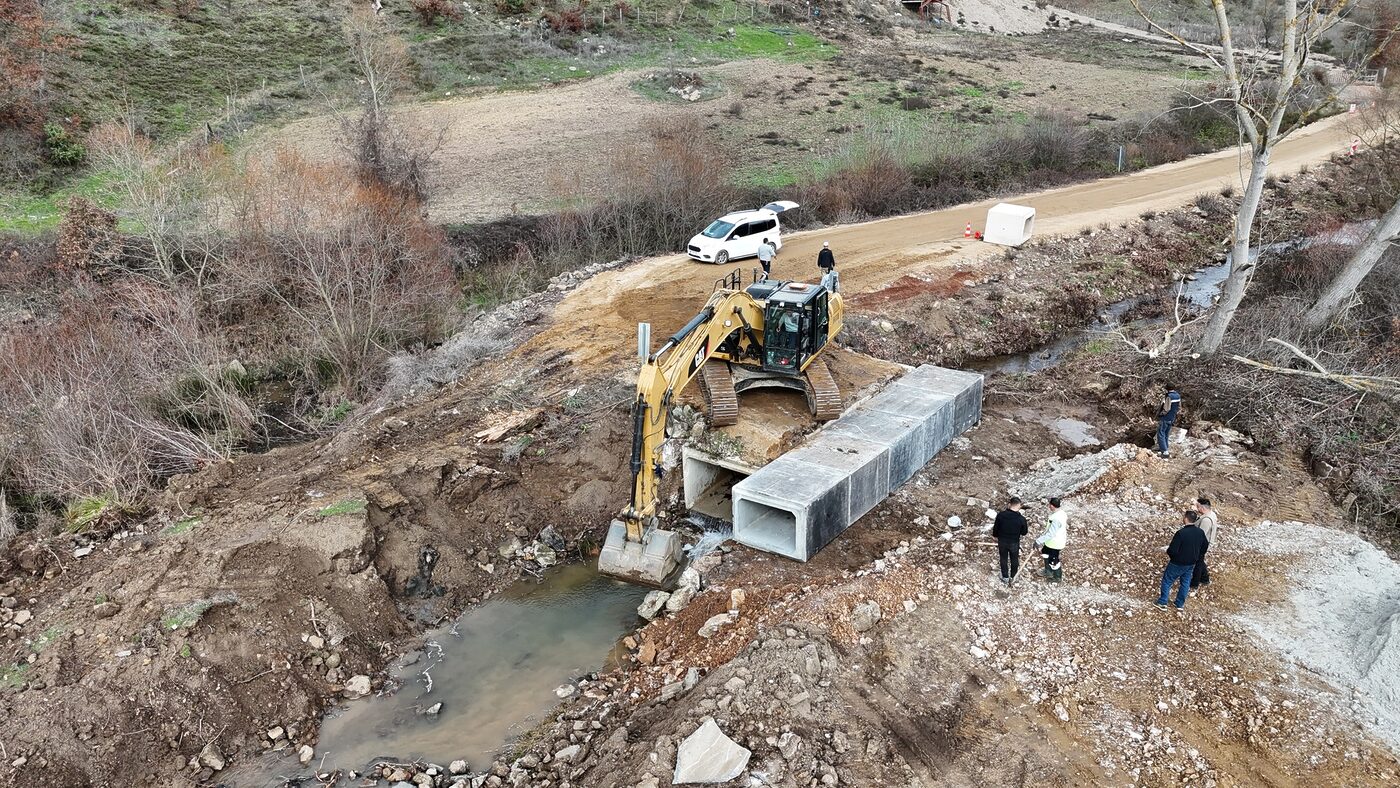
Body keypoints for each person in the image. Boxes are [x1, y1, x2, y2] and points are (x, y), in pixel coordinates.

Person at [1157, 510, 1207, 610]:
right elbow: (1205, 546)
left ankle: (1163, 602)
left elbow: (1172, 549)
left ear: (1185, 518)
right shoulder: (1200, 532)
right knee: (1185, 582)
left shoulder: (1181, 533)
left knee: (1167, 580)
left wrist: (1173, 557)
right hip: (1191, 563)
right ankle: (1179, 604)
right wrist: (1197, 556)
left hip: (1177, 562)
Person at [992, 497, 1028, 585]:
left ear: (1009, 504)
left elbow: (995, 529)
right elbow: (1024, 532)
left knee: (1003, 558)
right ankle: (1013, 576)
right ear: (1019, 506)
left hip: (1002, 541)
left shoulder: (1001, 515)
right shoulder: (1021, 519)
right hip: (1014, 542)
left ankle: (1005, 577)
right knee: (1014, 559)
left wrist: (996, 535)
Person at [1034, 497, 1068, 583]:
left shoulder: (1056, 519)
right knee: (1045, 552)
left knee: (1053, 560)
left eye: (1050, 505)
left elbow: (1051, 534)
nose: (1049, 506)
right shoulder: (1061, 513)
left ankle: (1057, 577)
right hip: (1051, 542)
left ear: (1052, 506)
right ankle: (1048, 571)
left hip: (1055, 543)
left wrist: (1038, 541)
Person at [1192, 497, 1217, 588]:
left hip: (1202, 544)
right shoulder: (1212, 514)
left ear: (1202, 508)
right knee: (1200, 561)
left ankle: (1195, 583)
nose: (1197, 509)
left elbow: (1200, 534)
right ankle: (1204, 578)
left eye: (1198, 507)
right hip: (1206, 542)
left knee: (1198, 563)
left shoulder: (1206, 520)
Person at [1156, 384, 1182, 458]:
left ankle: (1164, 452)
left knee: (1161, 433)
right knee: (1166, 433)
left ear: (1167, 388)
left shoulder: (1169, 397)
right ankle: (1165, 448)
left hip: (1165, 418)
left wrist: (1161, 414)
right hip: (1172, 417)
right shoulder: (1177, 395)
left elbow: (1166, 409)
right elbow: (1179, 407)